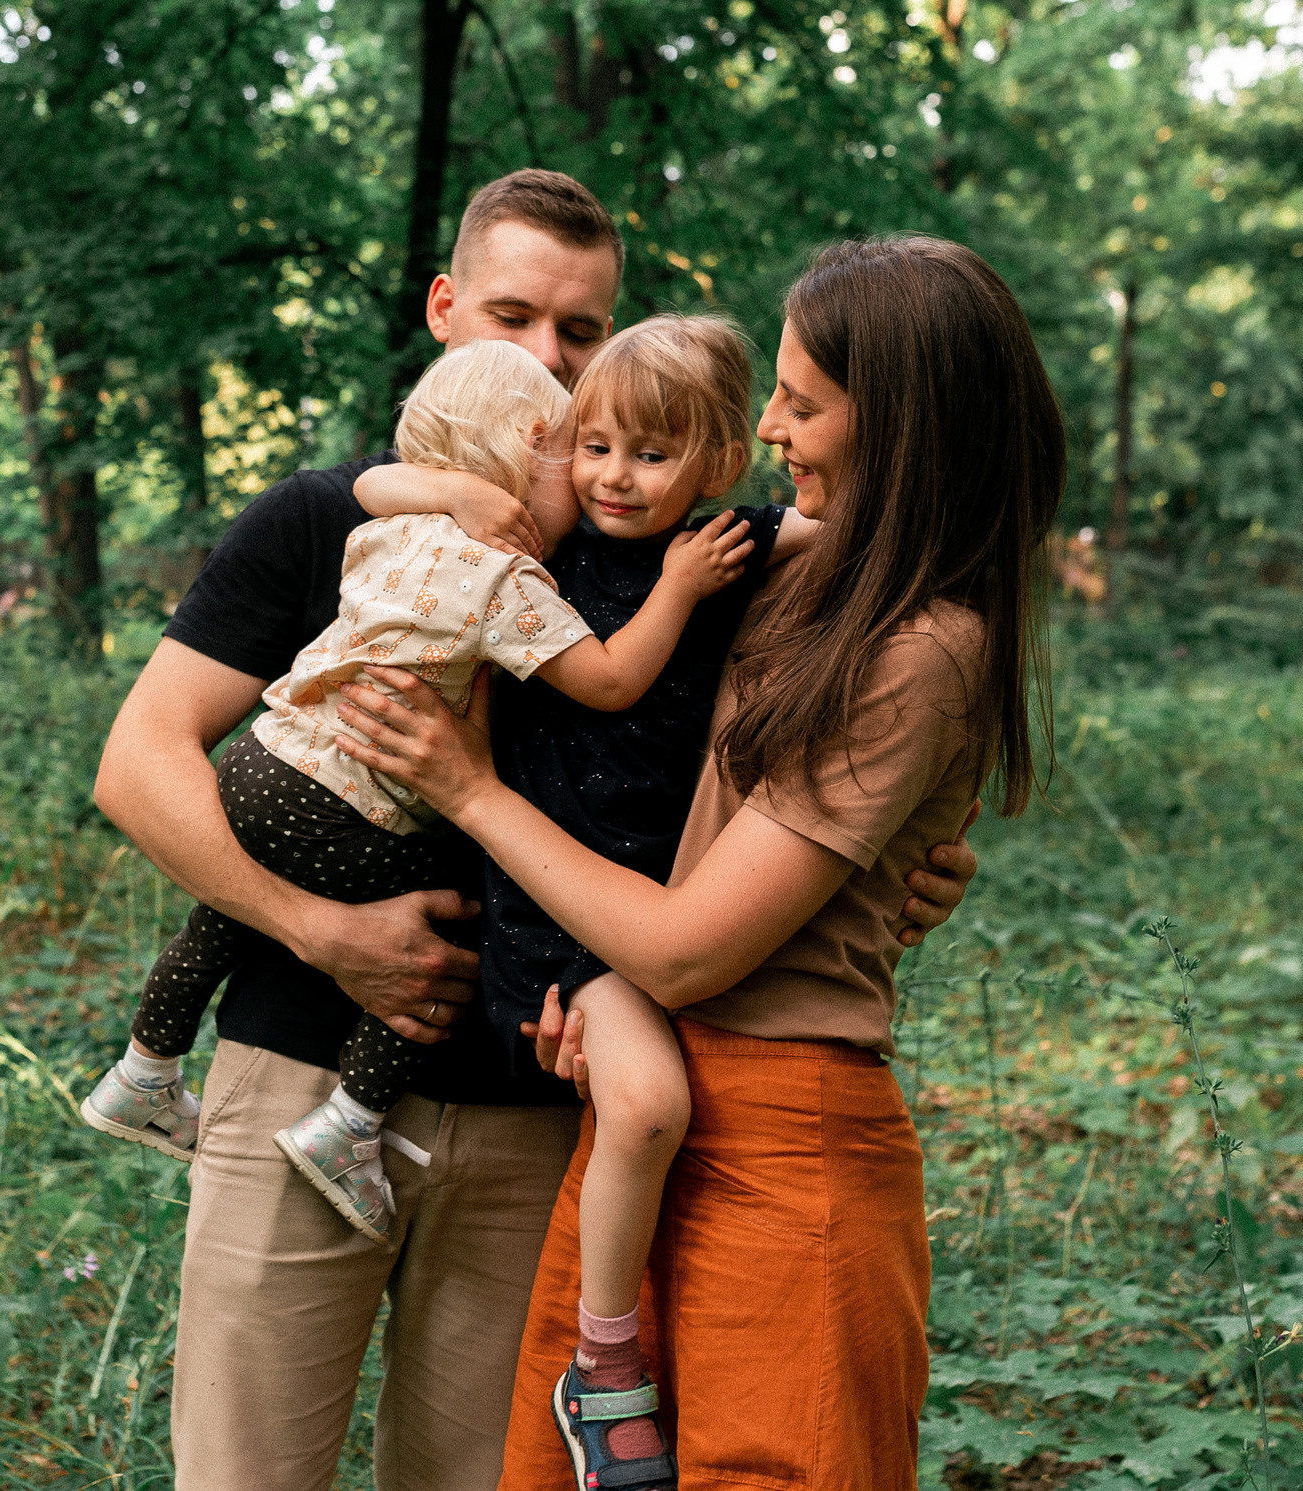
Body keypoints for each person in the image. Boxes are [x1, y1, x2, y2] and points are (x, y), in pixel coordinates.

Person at [90, 177, 982, 1491]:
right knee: (247, 1468)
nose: (550, 358)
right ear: (444, 309)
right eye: (514, 317)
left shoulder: (665, 542)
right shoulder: (338, 517)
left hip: (537, 1099)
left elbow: (783, 754)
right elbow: (139, 764)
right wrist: (325, 932)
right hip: (302, 1070)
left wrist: (902, 858)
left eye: (582, 329)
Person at [333, 235, 1066, 1491]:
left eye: (802, 403)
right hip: (642, 1109)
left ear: (901, 428)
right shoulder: (792, 576)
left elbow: (686, 948)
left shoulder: (923, 639)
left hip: (782, 1146)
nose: (771, 427)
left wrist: (471, 790)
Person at [80, 339, 758, 1244]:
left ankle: (143, 1067)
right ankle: (349, 1120)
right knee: (455, 929)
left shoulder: (391, 527)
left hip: (267, 760)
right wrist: (674, 587)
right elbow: (607, 681)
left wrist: (449, 490)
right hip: (353, 813)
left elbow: (373, 485)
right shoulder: (507, 578)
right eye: (579, 449)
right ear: (533, 450)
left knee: (216, 921)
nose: (597, 473)